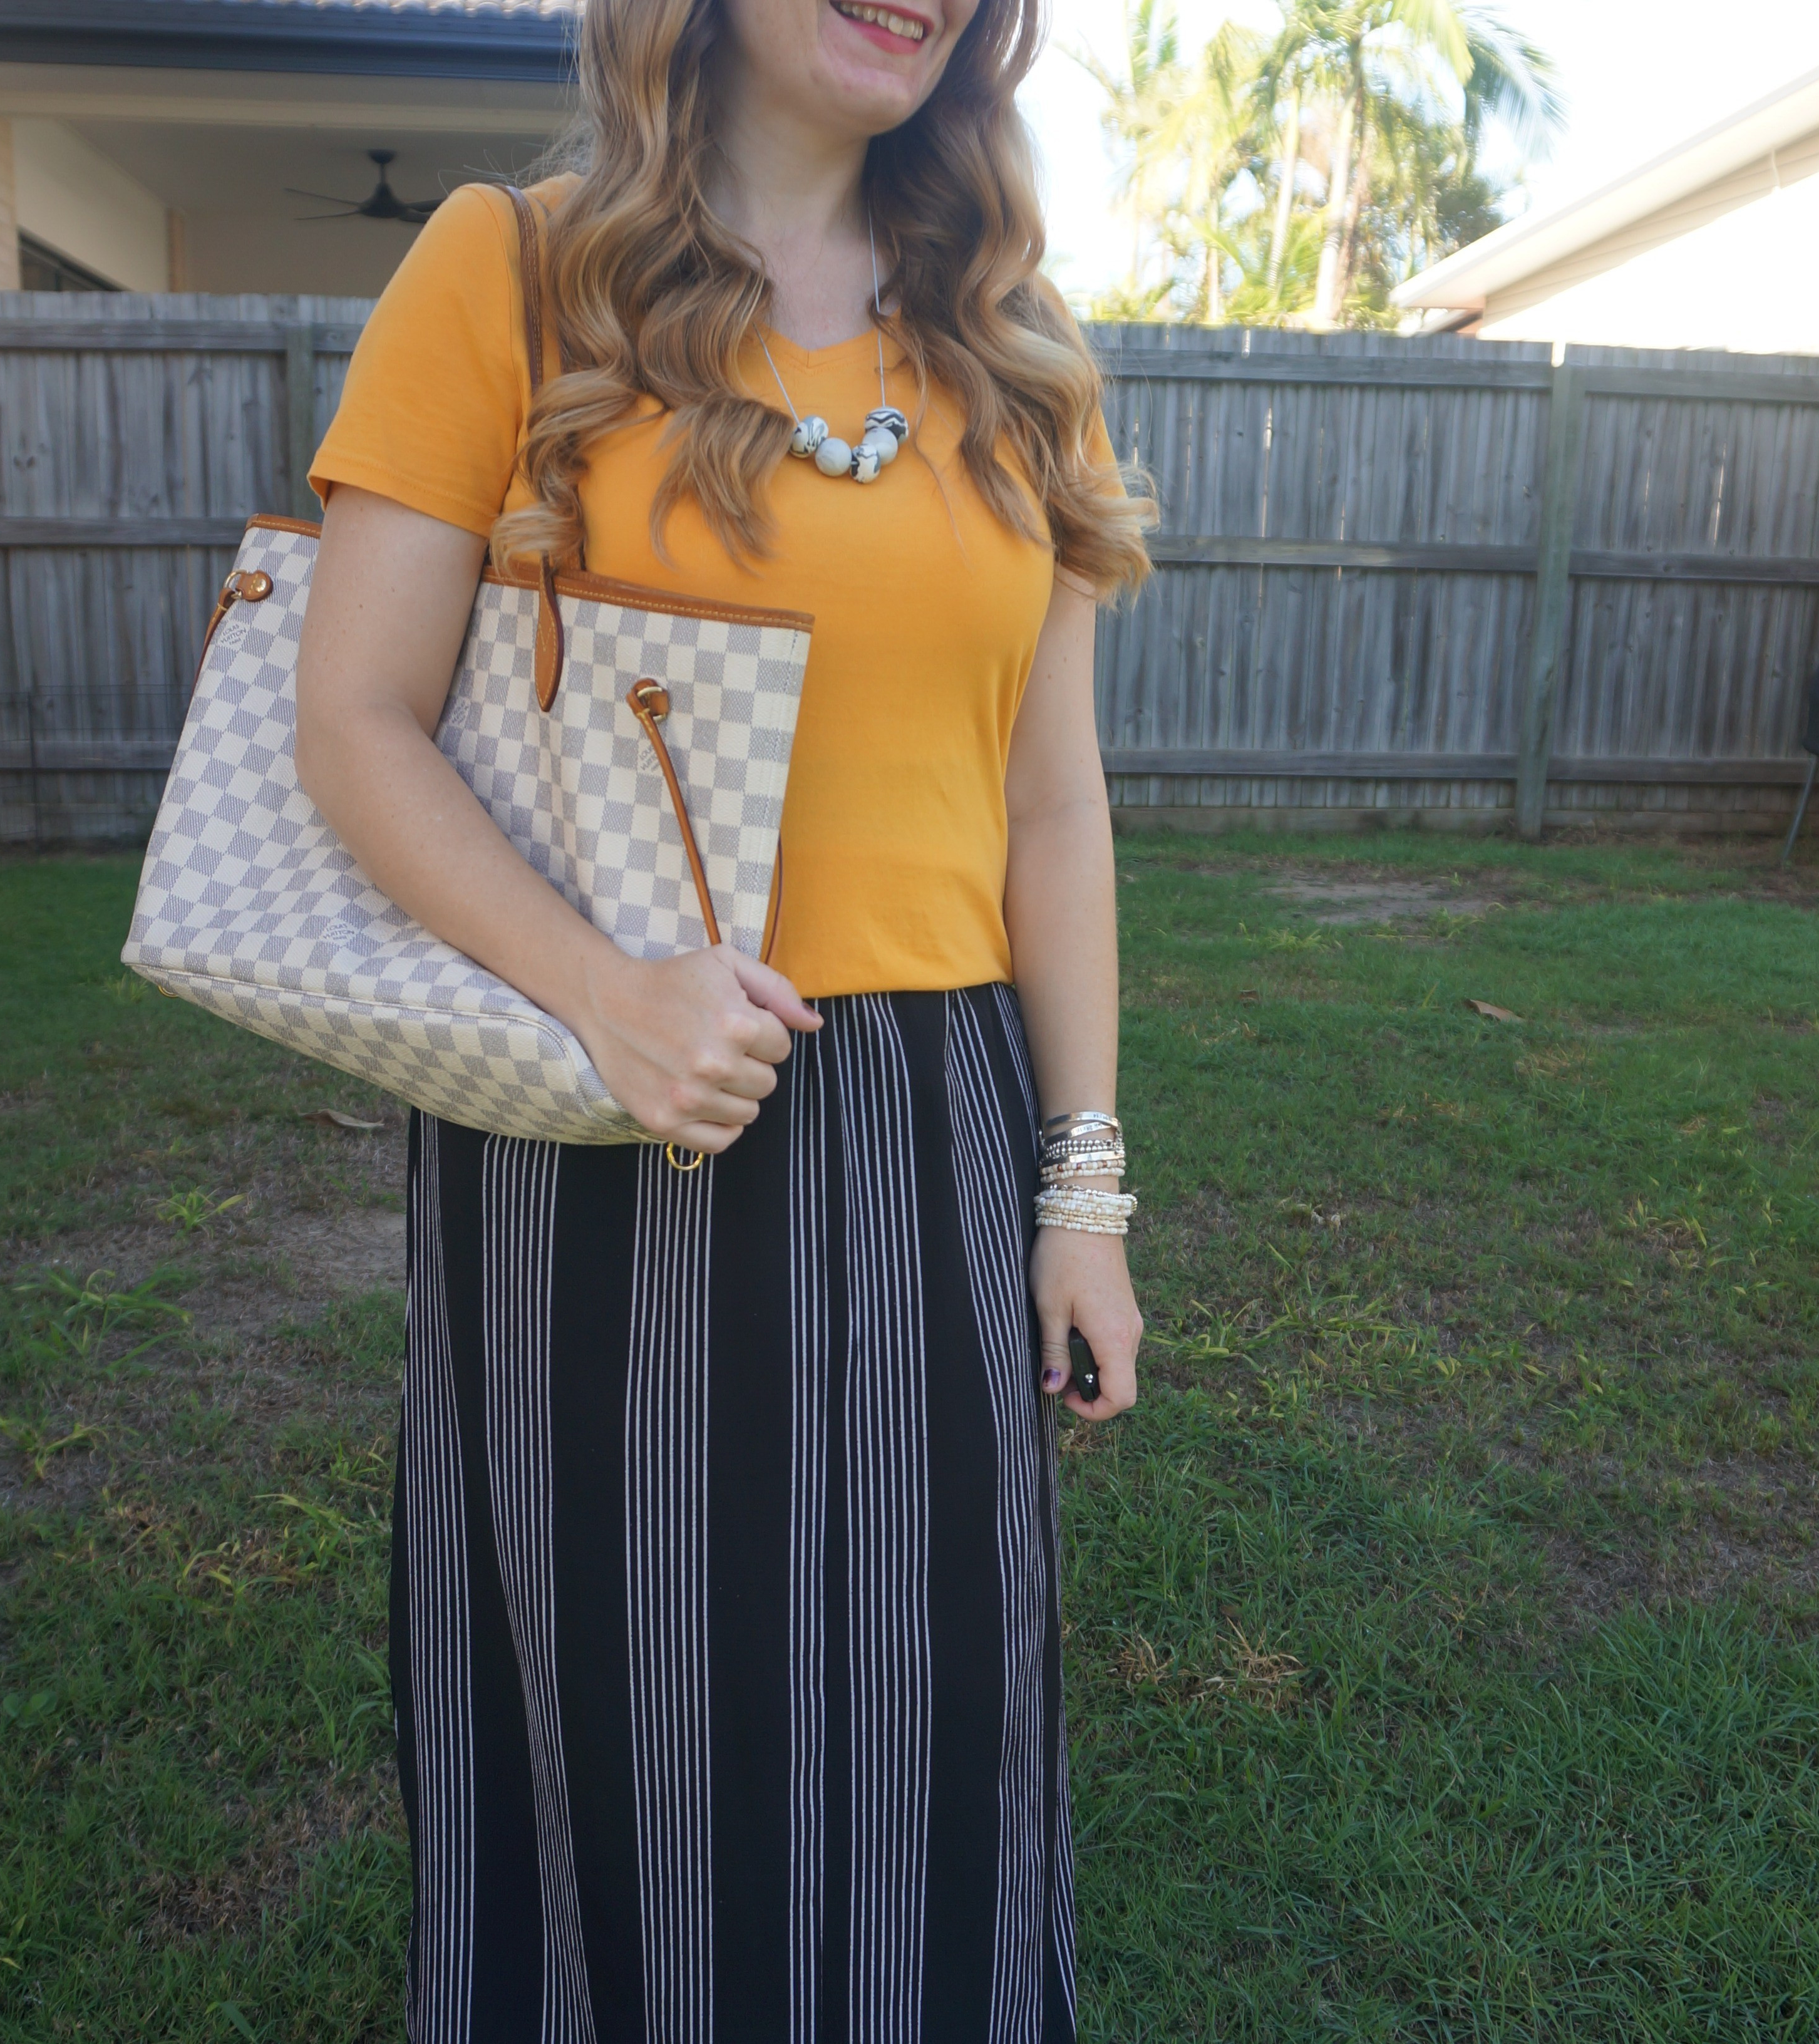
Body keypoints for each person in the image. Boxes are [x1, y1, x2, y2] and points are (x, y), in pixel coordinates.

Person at [294, 0, 1152, 2031]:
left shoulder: (1016, 346)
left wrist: (1082, 1184)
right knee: (641, 1699)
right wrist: (608, 995)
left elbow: (1053, 806)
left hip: (939, 1114)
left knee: (935, 1695)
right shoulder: (515, 269)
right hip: (616, 1118)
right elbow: (354, 721)